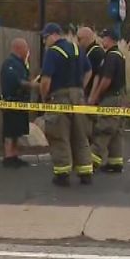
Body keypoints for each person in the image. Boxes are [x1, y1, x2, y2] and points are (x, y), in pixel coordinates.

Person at [39, 23, 94, 187]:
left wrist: (45, 97)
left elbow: (46, 80)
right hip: (78, 97)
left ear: (54, 35)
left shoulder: (52, 53)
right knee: (80, 135)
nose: (44, 42)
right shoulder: (77, 49)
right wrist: (80, 89)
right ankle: (85, 173)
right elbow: (89, 71)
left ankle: (62, 174)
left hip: (59, 97)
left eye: (45, 37)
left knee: (59, 136)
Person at [88, 28, 128, 173]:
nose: (101, 40)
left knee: (104, 129)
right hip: (120, 97)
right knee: (116, 131)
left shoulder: (111, 56)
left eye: (103, 37)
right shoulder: (119, 55)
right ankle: (115, 161)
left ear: (110, 39)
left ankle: (91, 162)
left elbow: (106, 79)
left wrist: (96, 95)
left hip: (111, 98)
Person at [0, 37, 33, 168]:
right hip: (11, 101)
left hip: (21, 102)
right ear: (18, 48)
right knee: (10, 131)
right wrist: (33, 85)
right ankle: (8, 157)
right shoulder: (10, 63)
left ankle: (14, 156)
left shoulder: (21, 63)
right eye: (25, 48)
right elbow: (15, 81)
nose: (27, 51)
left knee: (17, 132)